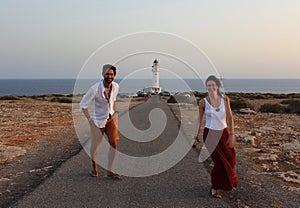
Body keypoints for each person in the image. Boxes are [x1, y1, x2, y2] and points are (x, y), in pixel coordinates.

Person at [193, 75, 238, 198]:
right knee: (219, 162)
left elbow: (229, 117)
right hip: (210, 135)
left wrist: (232, 134)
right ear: (206, 87)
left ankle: (227, 182)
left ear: (217, 86)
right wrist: (194, 136)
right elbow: (199, 120)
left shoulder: (225, 100)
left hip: (223, 133)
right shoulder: (203, 102)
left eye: (213, 85)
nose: (211, 87)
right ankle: (215, 188)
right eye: (209, 85)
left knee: (231, 159)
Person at [80, 64, 121, 179]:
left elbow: (113, 100)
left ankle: (110, 170)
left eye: (112, 74)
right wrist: (90, 120)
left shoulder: (116, 86)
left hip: (110, 119)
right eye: (107, 74)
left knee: (114, 143)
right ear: (103, 74)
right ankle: (94, 169)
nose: (109, 76)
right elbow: (83, 105)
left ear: (115, 75)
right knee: (95, 146)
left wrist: (115, 112)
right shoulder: (95, 89)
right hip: (97, 121)